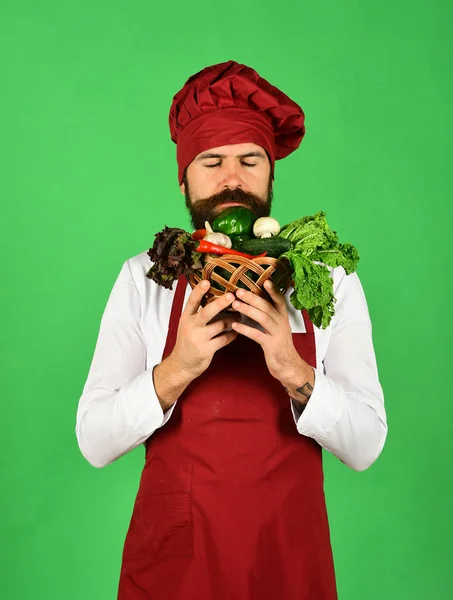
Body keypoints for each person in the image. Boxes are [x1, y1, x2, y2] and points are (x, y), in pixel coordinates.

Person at [76, 60, 387, 600]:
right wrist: (178, 369)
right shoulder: (145, 279)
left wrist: (294, 371)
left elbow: (366, 446)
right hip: (178, 564)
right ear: (184, 177)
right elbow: (94, 441)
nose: (232, 178)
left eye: (250, 159)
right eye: (211, 160)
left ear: (271, 173)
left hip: (287, 555)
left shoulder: (325, 277)